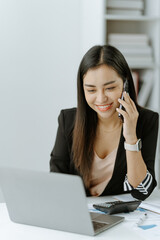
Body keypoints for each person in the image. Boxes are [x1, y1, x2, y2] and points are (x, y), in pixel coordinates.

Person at [50, 45, 159, 200]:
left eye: (110, 88)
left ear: (126, 84)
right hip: (78, 213)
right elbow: (56, 182)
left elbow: (142, 191)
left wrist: (130, 136)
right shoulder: (68, 120)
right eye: (91, 90)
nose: (101, 99)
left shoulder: (147, 121)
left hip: (122, 217)